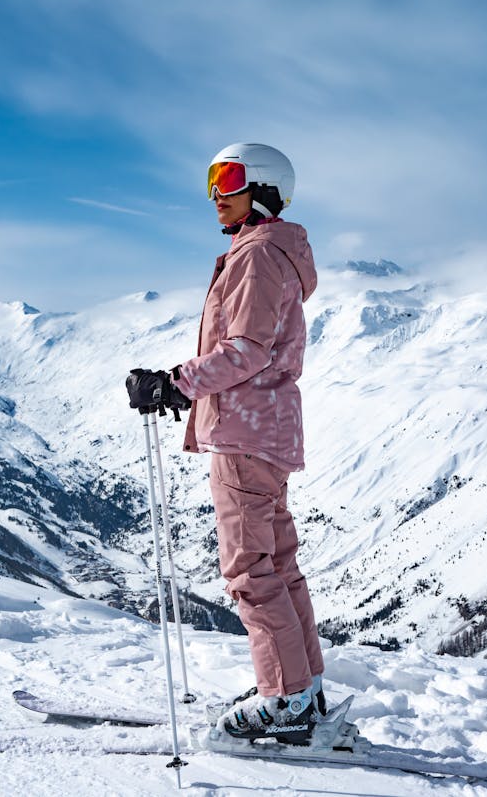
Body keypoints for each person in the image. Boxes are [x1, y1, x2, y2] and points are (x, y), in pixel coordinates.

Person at [127, 143, 324, 744]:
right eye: (211, 179)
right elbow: (256, 348)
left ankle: (285, 700)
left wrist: (175, 383)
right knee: (278, 564)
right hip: (268, 428)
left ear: (263, 189)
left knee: (248, 572)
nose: (216, 193)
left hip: (244, 429)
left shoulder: (258, 255)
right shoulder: (274, 253)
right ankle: (302, 687)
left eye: (229, 178)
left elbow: (245, 350)